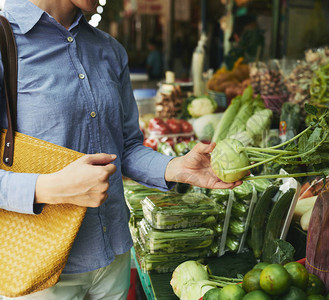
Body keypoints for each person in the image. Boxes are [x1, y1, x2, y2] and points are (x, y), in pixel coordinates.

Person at [0, 1, 241, 299]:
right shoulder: (5, 40)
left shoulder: (108, 49)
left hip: (112, 254)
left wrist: (176, 168)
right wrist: (48, 188)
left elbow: (125, 146)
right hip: (39, 266)